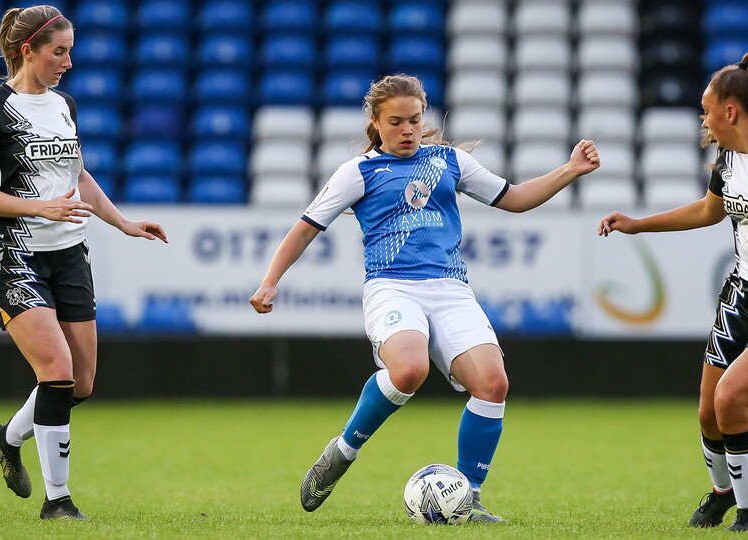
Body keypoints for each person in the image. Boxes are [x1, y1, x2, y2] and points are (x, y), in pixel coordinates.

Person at [250, 74, 600, 522]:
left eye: (415, 120)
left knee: (493, 384)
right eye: (395, 122)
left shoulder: (449, 162)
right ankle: (342, 452)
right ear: (375, 123)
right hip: (392, 286)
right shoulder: (356, 173)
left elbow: (513, 198)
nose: (408, 130)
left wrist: (569, 170)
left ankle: (468, 499)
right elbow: (304, 229)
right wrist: (270, 281)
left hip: (451, 290)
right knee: (409, 370)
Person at [597, 51, 748, 532]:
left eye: (706, 109)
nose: (702, 118)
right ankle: (721, 495)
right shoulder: (728, 156)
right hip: (743, 293)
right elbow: (709, 211)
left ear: (731, 111)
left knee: (732, 401)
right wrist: (638, 225)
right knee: (709, 412)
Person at [0, 5, 168, 520]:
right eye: (59, 51)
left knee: (80, 384)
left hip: (69, 254)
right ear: (25, 51)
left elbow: (76, 176)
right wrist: (39, 206)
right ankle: (59, 503)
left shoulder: (64, 105)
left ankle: (5, 438)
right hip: (13, 252)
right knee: (55, 371)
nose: (68, 61)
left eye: (70, 50)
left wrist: (122, 223)